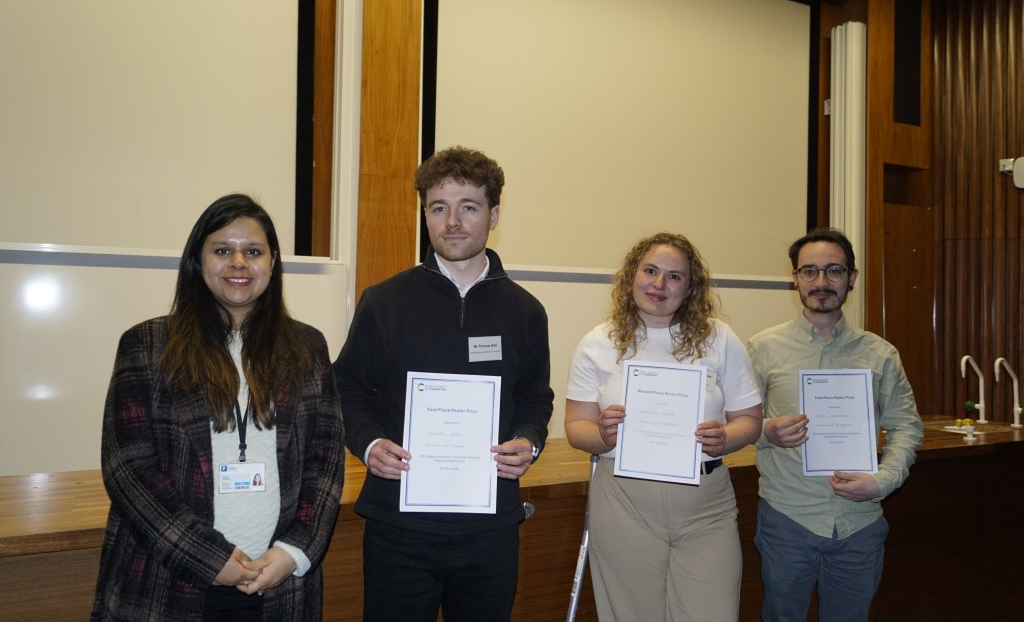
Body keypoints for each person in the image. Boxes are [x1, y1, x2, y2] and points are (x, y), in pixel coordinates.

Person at [91, 194, 345, 621]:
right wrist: (211, 558)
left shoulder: (306, 347)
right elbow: (128, 468)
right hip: (170, 581)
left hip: (279, 585)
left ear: (273, 260)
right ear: (198, 259)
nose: (239, 263)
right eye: (223, 250)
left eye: (253, 251)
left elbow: (326, 461)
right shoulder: (148, 345)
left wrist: (294, 550)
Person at [333, 146, 554, 622]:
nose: (452, 221)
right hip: (400, 526)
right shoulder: (384, 301)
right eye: (439, 208)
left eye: (468, 207)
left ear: (493, 215)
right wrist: (369, 444)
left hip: (491, 527)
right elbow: (347, 385)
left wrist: (529, 442)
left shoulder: (525, 311)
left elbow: (536, 396)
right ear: (426, 215)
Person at [564, 232, 762, 622]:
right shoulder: (597, 342)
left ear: (690, 287)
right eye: (650, 271)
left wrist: (724, 438)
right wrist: (602, 435)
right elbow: (575, 426)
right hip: (623, 502)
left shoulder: (720, 338)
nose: (658, 284)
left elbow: (750, 421)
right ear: (631, 276)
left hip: (706, 506)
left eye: (674, 276)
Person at [746, 227, 923, 621]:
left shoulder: (880, 354)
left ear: (852, 278)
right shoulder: (763, 348)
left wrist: (883, 480)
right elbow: (739, 422)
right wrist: (767, 430)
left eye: (834, 271)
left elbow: (906, 426)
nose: (821, 282)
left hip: (860, 525)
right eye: (809, 271)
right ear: (795, 278)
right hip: (788, 520)